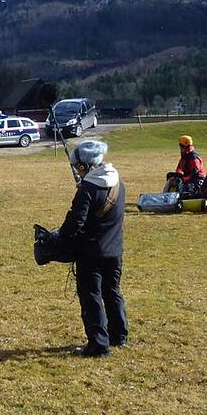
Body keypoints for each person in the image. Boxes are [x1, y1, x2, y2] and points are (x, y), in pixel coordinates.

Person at [59, 140, 128, 357]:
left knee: (92, 297)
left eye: (79, 167)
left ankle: (98, 345)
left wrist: (60, 237)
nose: (77, 171)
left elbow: (76, 222)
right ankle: (119, 336)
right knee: (113, 293)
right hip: (115, 251)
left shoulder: (88, 189)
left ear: (87, 166)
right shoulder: (118, 181)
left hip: (91, 253)